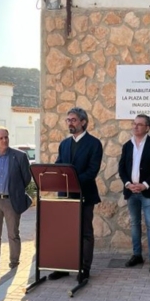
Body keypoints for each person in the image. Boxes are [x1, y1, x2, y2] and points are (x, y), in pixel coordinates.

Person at [48, 107, 103, 283]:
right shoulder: (64, 144)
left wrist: (72, 181)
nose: (69, 123)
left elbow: (92, 171)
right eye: (68, 120)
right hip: (65, 195)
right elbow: (58, 166)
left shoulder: (94, 144)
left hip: (85, 195)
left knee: (85, 233)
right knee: (65, 232)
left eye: (73, 120)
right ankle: (64, 267)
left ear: (83, 122)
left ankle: (84, 269)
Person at [0, 127, 32, 276]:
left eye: (6, 137)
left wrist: (20, 193)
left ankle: (14, 263)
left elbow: (27, 178)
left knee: (13, 234)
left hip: (11, 201)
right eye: (1, 138)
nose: (4, 140)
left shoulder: (19, 156)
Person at [118, 114, 150, 273]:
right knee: (135, 224)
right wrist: (128, 184)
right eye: (134, 123)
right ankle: (137, 255)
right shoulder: (127, 145)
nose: (135, 126)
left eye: (139, 124)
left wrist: (144, 185)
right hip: (131, 192)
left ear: (147, 128)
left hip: (147, 191)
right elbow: (121, 168)